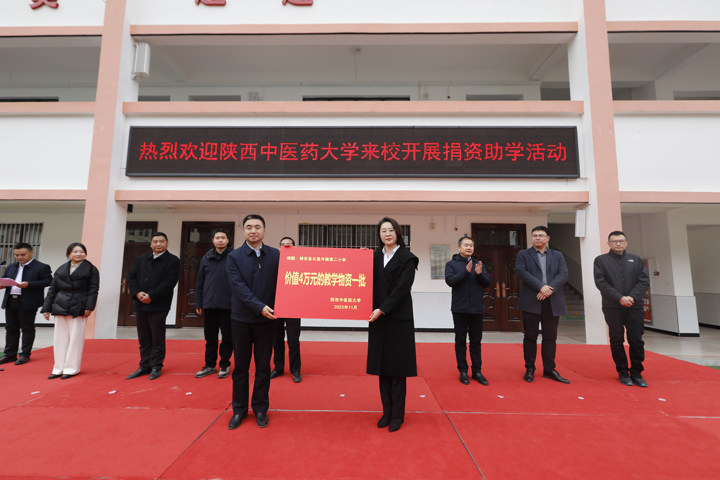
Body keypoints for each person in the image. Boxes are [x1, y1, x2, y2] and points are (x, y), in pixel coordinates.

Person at [226, 214, 280, 429]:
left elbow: (294, 276)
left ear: (264, 230)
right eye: (249, 227)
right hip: (241, 319)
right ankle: (239, 410)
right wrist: (259, 307)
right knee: (240, 367)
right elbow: (237, 287)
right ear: (244, 231)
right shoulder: (234, 256)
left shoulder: (276, 255)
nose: (253, 230)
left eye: (257, 227)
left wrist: (292, 255)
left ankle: (260, 408)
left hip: (267, 320)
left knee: (263, 367)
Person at [368, 217, 418, 433]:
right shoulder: (373, 257)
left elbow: (401, 289)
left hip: (398, 318)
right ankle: (386, 412)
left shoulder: (408, 258)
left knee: (397, 370)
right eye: (383, 231)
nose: (387, 234)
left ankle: (398, 415)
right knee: (382, 369)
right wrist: (359, 259)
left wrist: (382, 309)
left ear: (398, 233)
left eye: (391, 230)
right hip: (377, 319)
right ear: (379, 235)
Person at [594, 231, 650, 387]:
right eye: (614, 241)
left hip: (634, 306)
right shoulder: (601, 260)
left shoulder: (636, 259)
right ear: (609, 244)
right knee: (616, 339)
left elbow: (643, 281)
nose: (618, 243)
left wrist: (631, 297)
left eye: (621, 241)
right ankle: (623, 372)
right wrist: (619, 298)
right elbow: (601, 282)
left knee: (636, 340)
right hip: (612, 306)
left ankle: (637, 372)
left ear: (626, 243)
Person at [516, 226, 570, 384]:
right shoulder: (523, 254)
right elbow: (522, 272)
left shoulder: (557, 255)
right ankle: (529, 368)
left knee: (550, 337)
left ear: (548, 238)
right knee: (530, 336)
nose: (537, 238)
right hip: (531, 300)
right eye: (534, 236)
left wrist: (548, 290)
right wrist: (541, 287)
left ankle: (549, 369)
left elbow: (563, 274)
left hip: (552, 301)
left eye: (540, 235)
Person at [126, 232, 180, 381]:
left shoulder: (173, 260)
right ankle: (144, 366)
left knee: (157, 337)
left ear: (167, 243)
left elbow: (169, 282)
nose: (158, 244)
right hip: (140, 304)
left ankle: (156, 366)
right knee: (144, 338)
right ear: (151, 244)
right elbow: (132, 277)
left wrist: (151, 296)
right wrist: (137, 293)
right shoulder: (142, 259)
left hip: (159, 305)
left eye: (162, 241)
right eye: (155, 241)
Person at [41, 243, 99, 379]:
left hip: (79, 305)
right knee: (59, 338)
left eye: (82, 251)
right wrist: (46, 308)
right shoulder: (61, 268)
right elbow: (52, 289)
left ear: (85, 254)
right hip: (60, 304)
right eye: (75, 251)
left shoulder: (91, 269)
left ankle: (71, 368)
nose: (78, 254)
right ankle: (58, 368)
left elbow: (93, 290)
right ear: (68, 254)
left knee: (75, 339)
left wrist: (89, 307)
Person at [445, 236, 492, 386]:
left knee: (476, 341)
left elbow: (487, 283)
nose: (469, 247)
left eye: (471, 245)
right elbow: (450, 281)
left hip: (477, 309)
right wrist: (466, 272)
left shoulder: (479, 264)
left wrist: (479, 273)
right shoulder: (451, 264)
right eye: (466, 245)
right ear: (459, 247)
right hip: (460, 309)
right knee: (460, 341)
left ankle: (477, 371)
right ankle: (463, 371)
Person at [0, 243, 52, 365]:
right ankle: (10, 354)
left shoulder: (41, 267)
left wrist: (29, 284)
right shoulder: (11, 266)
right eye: (16, 255)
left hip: (28, 301)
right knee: (11, 328)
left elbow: (49, 281)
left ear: (31, 253)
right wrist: (2, 285)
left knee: (27, 328)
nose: (19, 257)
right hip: (11, 300)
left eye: (23, 254)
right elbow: (5, 279)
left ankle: (25, 354)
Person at [194, 228, 234, 380]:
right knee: (210, 338)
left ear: (228, 240)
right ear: (213, 240)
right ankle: (209, 365)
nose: (220, 240)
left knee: (228, 337)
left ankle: (224, 364)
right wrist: (198, 302)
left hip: (228, 305)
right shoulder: (206, 258)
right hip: (209, 304)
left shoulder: (234, 257)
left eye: (223, 238)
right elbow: (200, 282)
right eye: (217, 238)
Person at [270, 236, 302, 383]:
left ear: (294, 247)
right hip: (276, 306)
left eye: (289, 244)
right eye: (283, 245)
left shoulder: (300, 262)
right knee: (276, 339)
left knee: (293, 340)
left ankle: (295, 370)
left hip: (293, 306)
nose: (286, 246)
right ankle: (278, 368)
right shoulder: (273, 262)